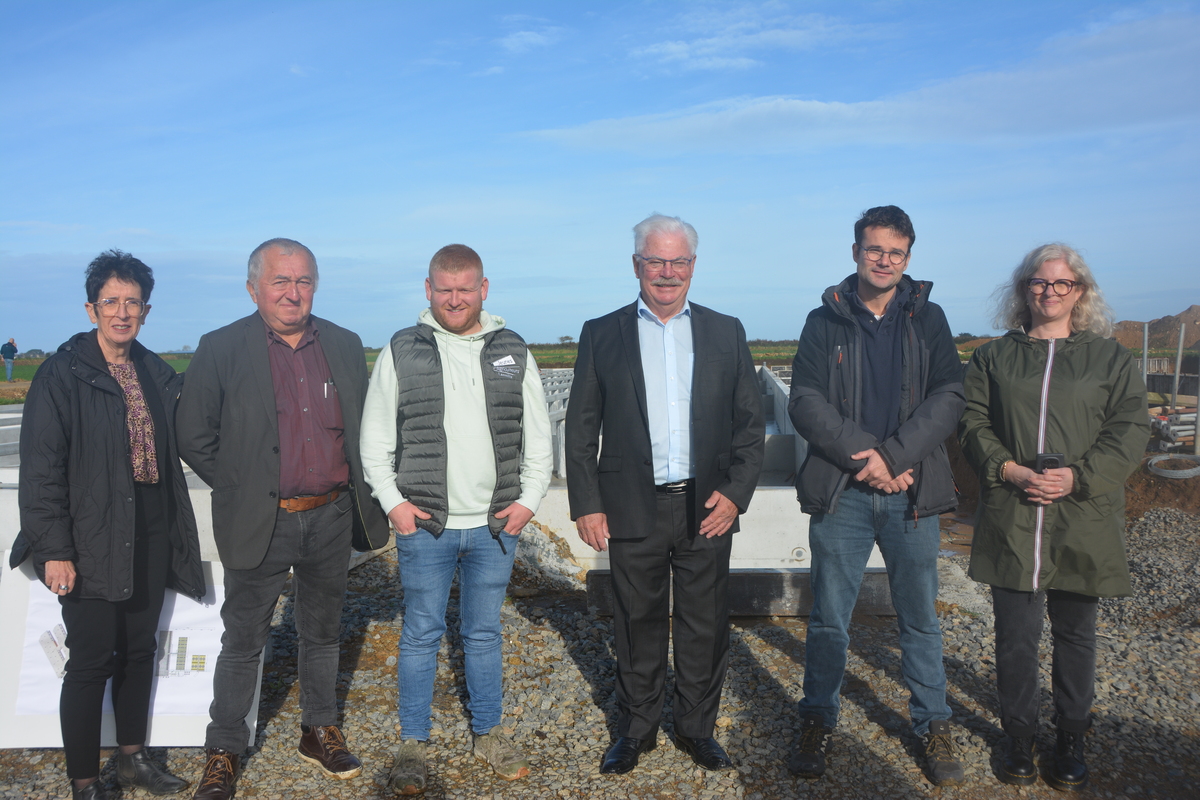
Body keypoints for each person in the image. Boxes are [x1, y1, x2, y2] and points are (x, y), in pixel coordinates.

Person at [177, 238, 389, 800]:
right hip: (261, 520)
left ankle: (319, 730)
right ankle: (224, 749)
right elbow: (193, 434)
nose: (293, 293)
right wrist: (244, 486)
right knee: (244, 638)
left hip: (331, 515)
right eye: (280, 281)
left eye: (303, 281)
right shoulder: (221, 347)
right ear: (254, 289)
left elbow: (365, 426)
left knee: (322, 633)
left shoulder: (343, 344)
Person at [566, 214, 764, 775]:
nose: (667, 272)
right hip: (632, 503)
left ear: (693, 266)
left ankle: (697, 729)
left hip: (708, 505)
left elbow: (750, 426)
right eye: (656, 261)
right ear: (637, 265)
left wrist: (736, 494)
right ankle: (637, 729)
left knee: (705, 622)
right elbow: (580, 428)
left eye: (678, 261)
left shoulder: (725, 331)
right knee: (636, 622)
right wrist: (587, 503)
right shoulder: (601, 333)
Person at [360, 244, 552, 795]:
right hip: (427, 525)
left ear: (483, 289)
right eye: (444, 289)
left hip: (495, 527)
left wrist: (528, 501)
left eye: (465, 289)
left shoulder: (513, 349)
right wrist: (394, 505)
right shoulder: (402, 349)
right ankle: (413, 743)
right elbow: (375, 439)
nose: (455, 299)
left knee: (484, 632)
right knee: (422, 632)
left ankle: (488, 732)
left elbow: (538, 436)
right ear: (428, 290)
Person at [786, 205, 965, 785]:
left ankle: (933, 722)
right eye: (874, 249)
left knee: (920, 618)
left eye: (895, 252)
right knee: (829, 618)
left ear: (908, 258)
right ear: (856, 252)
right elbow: (805, 400)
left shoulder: (929, 318)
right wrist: (869, 457)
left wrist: (896, 457)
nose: (884, 260)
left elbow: (949, 397)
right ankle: (817, 716)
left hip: (912, 494)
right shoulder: (825, 320)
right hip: (845, 493)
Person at [958, 244, 1148, 791]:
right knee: (1015, 637)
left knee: (1076, 634)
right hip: (1014, 513)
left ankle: (1071, 736)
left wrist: (1077, 477)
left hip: (1081, 516)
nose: (1049, 292)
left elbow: (1129, 429)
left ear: (1079, 291)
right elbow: (972, 422)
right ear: (1024, 289)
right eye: (1039, 282)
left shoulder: (1109, 359)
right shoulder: (994, 358)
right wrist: (1009, 469)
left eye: (1062, 283)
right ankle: (1019, 736)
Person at [15, 251, 203, 800]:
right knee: (91, 660)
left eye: (133, 303)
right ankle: (83, 782)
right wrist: (54, 549)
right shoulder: (61, 374)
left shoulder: (155, 372)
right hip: (89, 534)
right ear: (91, 308)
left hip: (149, 527)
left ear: (146, 310)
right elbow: (41, 470)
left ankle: (132, 759)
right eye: (111, 302)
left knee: (139, 650)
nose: (122, 312)